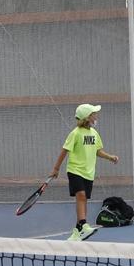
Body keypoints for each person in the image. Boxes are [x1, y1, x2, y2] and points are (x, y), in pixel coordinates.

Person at [49, 103, 119, 240]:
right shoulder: (75, 134)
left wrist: (110, 157)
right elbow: (64, 150)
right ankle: (83, 224)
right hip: (75, 170)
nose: (96, 116)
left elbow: (98, 151)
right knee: (80, 195)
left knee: (84, 199)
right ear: (87, 117)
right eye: (94, 114)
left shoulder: (94, 133)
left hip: (89, 172)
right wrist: (56, 169)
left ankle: (77, 230)